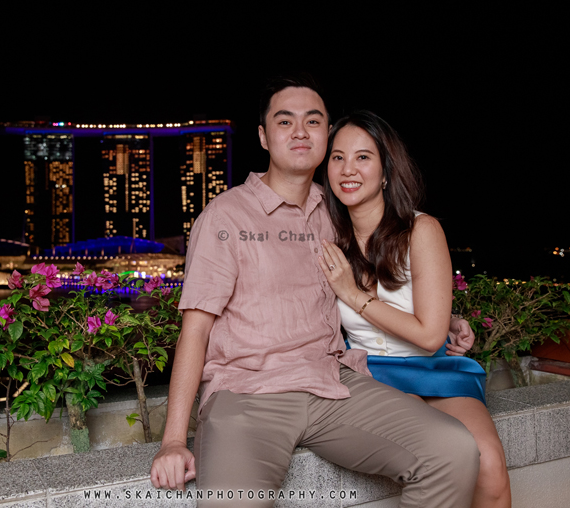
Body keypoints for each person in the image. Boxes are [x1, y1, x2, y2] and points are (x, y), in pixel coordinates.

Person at [150, 75, 480, 507]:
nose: (301, 131)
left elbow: (381, 276)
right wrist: (174, 439)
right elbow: (194, 331)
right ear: (264, 137)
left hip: (333, 384)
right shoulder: (225, 217)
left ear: (326, 136)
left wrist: (445, 318)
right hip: (248, 395)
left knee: (452, 450)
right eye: (285, 122)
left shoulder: (336, 211)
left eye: (314, 121)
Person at [317, 110, 511, 508]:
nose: (348, 169)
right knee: (439, 457)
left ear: (386, 170)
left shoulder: (421, 230)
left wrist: (354, 296)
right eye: (337, 157)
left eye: (363, 157)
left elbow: (428, 335)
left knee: (489, 466)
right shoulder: (324, 235)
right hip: (367, 375)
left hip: (431, 368)